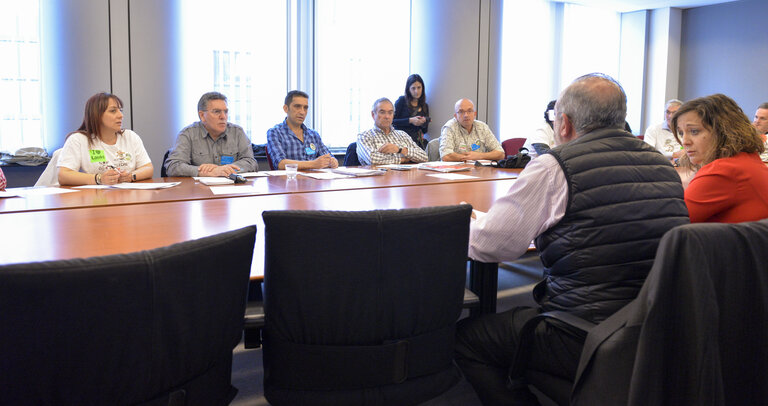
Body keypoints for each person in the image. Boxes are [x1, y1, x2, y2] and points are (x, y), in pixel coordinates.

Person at [454, 73, 689, 405]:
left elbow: (491, 245)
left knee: (468, 340)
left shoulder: (555, 166)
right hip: (655, 325)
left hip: (582, 332)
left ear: (563, 123)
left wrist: (460, 223)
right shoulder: (663, 166)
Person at [674, 94, 768, 223]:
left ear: (723, 131)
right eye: (681, 133)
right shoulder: (747, 159)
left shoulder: (723, 170)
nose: (684, 141)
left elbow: (671, 222)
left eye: (694, 131)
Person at [58, 92, 153, 186]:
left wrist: (131, 176)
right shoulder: (78, 140)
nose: (121, 115)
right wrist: (99, 178)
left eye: (120, 110)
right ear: (97, 115)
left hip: (126, 193)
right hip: (94, 195)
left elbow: (148, 168)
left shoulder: (130, 136)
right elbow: (63, 175)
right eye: (113, 111)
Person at [165, 91, 257, 177]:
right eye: (217, 112)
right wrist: (203, 172)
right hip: (199, 188)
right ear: (202, 116)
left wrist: (225, 170)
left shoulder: (237, 132)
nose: (223, 116)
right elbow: (173, 166)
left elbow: (251, 162)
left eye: (225, 111)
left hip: (231, 186)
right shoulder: (188, 134)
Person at [266, 90, 338, 170]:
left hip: (314, 177)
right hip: (290, 177)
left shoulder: (313, 135)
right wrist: (313, 164)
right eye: (297, 107)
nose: (302, 112)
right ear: (286, 108)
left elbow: (328, 156)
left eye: (305, 108)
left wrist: (332, 161)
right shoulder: (275, 133)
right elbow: (280, 164)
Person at [356, 98, 428, 165]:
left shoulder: (403, 135)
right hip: (379, 174)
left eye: (390, 113)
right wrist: (403, 159)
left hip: (405, 174)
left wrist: (400, 150)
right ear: (373, 115)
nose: (387, 116)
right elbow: (373, 159)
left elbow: (424, 157)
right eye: (382, 112)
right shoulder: (364, 136)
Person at [439, 99, 504, 162]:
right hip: (455, 168)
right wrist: (469, 158)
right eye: (461, 112)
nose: (466, 115)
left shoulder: (482, 127)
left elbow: (500, 154)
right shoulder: (449, 127)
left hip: (479, 168)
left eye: (469, 111)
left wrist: (479, 156)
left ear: (474, 114)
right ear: (456, 116)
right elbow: (445, 156)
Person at [393, 74, 430, 149]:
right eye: (413, 88)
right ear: (408, 89)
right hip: (401, 141)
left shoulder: (424, 106)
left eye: (419, 87)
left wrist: (424, 122)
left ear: (422, 88)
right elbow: (392, 121)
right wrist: (410, 120)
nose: (416, 91)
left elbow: (425, 131)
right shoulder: (401, 101)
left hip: (416, 143)